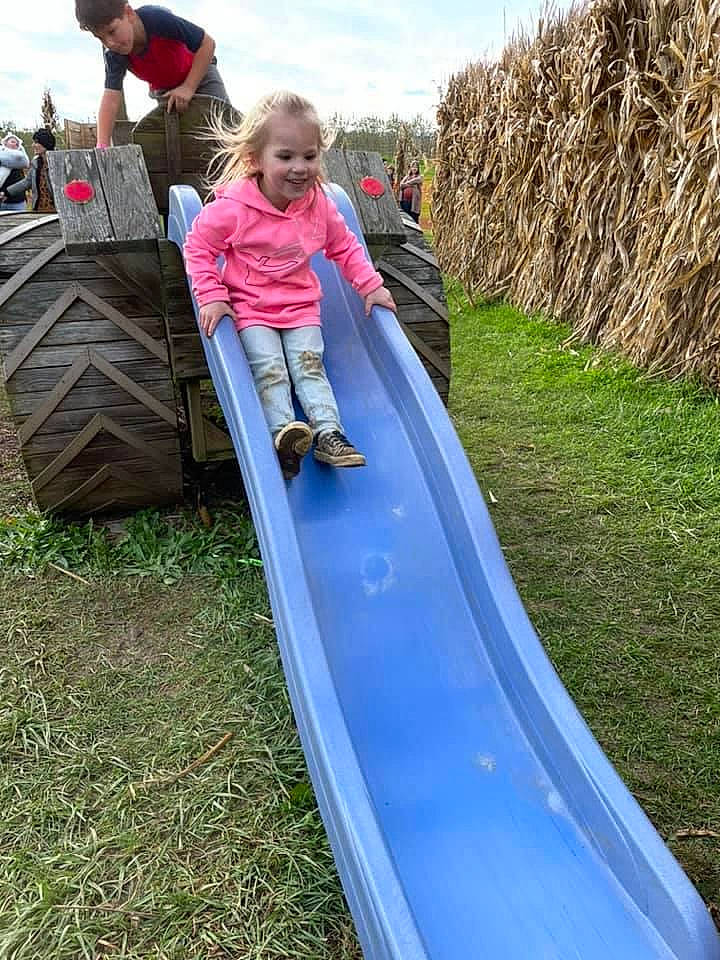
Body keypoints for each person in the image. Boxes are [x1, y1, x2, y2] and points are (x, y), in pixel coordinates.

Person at [184, 90, 397, 480]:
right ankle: (283, 435)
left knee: (309, 366)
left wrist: (369, 286)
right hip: (251, 310)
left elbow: (344, 246)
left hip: (300, 308)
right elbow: (197, 247)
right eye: (285, 157)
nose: (300, 167)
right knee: (269, 370)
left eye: (309, 156)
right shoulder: (233, 208)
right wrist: (212, 296)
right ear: (256, 159)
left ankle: (329, 434)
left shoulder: (318, 205)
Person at [75, 0, 229, 148]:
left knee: (224, 124)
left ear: (128, 13)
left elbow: (207, 43)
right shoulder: (115, 55)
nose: (110, 43)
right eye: (100, 38)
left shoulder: (157, 19)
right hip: (165, 91)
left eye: (112, 31)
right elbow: (111, 98)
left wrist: (188, 87)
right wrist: (102, 145)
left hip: (200, 75)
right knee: (173, 136)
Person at [1, 129, 55, 213]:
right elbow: (27, 182)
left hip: (57, 209)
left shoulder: (59, 162)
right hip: (40, 209)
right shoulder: (36, 163)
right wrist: (7, 192)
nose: (33, 145)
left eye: (36, 142)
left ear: (45, 144)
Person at [0, 133, 29, 211]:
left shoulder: (20, 157)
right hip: (2, 200)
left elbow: (25, 163)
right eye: (12, 141)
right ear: (5, 143)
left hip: (18, 201)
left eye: (17, 143)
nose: (15, 144)